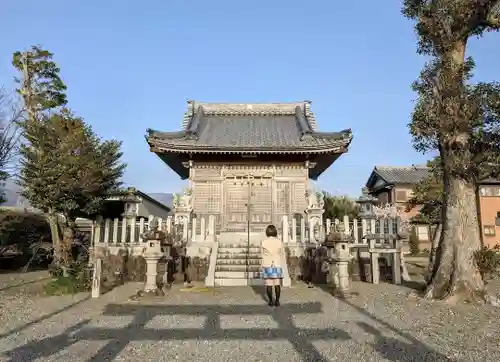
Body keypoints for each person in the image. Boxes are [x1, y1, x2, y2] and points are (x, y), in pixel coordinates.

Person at [261, 224, 284, 307]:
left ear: (267, 232)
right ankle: (277, 301)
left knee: (269, 284)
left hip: (267, 264)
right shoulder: (279, 242)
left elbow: (262, 254)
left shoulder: (264, 242)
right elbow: (281, 253)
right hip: (276, 263)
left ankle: (270, 301)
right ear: (275, 232)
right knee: (277, 283)